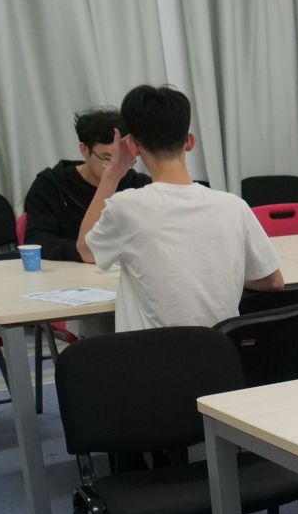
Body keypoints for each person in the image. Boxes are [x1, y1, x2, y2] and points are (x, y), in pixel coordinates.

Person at [78, 85, 283, 333]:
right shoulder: (234, 206)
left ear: (132, 146)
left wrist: (113, 172)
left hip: (152, 355)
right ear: (190, 141)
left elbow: (85, 250)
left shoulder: (125, 207)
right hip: (220, 352)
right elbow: (273, 281)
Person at [22, 108, 151, 263]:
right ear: (84, 150)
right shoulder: (51, 185)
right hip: (70, 270)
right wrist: (86, 253)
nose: (116, 166)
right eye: (107, 158)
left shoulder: (139, 185)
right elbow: (37, 241)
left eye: (124, 158)